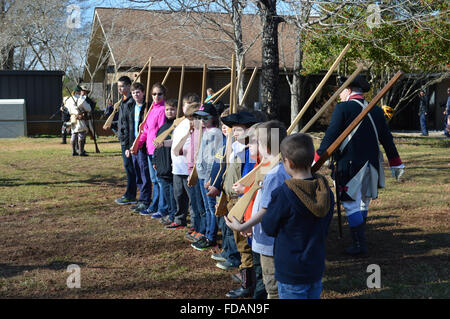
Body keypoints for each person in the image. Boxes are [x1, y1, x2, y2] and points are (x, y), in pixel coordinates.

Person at [315, 74, 404, 256]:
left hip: (350, 166)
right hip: (371, 165)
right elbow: (387, 140)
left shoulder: (343, 108)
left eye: (341, 91)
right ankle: (360, 240)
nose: (339, 95)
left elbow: (331, 136)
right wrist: (396, 163)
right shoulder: (377, 111)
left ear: (348, 90)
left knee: (351, 205)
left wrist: (316, 159)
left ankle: (359, 244)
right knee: (363, 203)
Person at [261, 133, 335, 299]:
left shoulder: (283, 194)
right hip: (315, 265)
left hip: (291, 269)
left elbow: (268, 227)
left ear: (289, 162)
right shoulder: (325, 192)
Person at [226, 120, 289, 299]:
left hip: (270, 242)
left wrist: (243, 226)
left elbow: (266, 209)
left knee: (273, 288)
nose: (251, 146)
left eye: (255, 142)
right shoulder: (271, 169)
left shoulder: (275, 173)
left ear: (266, 147)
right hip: (266, 238)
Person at [215, 110, 260, 298]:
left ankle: (249, 283)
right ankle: (248, 275)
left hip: (244, 202)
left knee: (245, 244)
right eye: (233, 129)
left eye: (239, 129)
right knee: (240, 242)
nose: (234, 132)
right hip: (233, 200)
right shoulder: (236, 148)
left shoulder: (251, 152)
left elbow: (250, 179)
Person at [207, 108, 242, 273]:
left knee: (230, 227)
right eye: (223, 123)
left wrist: (218, 184)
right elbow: (218, 167)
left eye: (228, 124)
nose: (223, 127)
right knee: (224, 224)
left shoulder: (237, 148)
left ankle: (234, 257)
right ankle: (227, 251)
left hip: (231, 192)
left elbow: (228, 171)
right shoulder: (225, 145)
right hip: (222, 191)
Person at [191, 103, 224, 250]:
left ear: (213, 118)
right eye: (200, 117)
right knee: (207, 206)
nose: (202, 120)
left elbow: (213, 158)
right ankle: (208, 234)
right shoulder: (206, 132)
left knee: (211, 208)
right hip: (202, 174)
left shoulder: (215, 133)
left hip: (208, 176)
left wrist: (210, 178)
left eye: (206, 117)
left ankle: (211, 237)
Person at [165, 94, 201, 230]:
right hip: (177, 167)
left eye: (193, 105)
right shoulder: (179, 123)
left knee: (193, 199)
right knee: (178, 196)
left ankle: (195, 225)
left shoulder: (197, 124)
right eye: (187, 105)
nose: (189, 108)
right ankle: (180, 219)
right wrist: (163, 144)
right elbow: (175, 142)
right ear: (183, 107)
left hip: (189, 168)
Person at [134, 83, 167, 216]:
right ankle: (154, 205)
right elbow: (146, 130)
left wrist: (158, 148)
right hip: (148, 149)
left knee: (160, 180)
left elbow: (162, 131)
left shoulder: (163, 110)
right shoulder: (151, 109)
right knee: (154, 180)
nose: (156, 96)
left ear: (164, 95)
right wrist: (138, 144)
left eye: (159, 94)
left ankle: (162, 208)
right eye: (154, 94)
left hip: (157, 150)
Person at [125, 82, 152, 213]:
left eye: (138, 92)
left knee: (144, 172)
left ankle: (145, 200)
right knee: (137, 172)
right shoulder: (131, 107)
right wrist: (128, 146)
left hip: (143, 145)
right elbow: (130, 128)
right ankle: (141, 199)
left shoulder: (147, 108)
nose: (136, 94)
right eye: (134, 92)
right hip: (133, 144)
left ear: (143, 93)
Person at [153, 99, 178, 224]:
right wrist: (155, 160)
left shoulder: (177, 127)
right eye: (167, 109)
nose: (170, 111)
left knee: (173, 193)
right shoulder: (162, 127)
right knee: (166, 192)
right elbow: (157, 145)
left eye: (172, 109)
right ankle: (170, 212)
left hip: (171, 165)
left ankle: (174, 215)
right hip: (162, 166)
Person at [114, 76, 138, 206]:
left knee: (130, 169)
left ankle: (131, 195)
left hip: (129, 142)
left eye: (122, 86)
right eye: (118, 86)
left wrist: (129, 145)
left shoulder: (131, 103)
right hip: (123, 140)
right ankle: (129, 193)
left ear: (129, 86)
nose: (120, 89)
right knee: (128, 167)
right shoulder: (123, 101)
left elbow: (129, 125)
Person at [64, 85, 91, 157]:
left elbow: (66, 109)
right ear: (79, 92)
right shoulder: (81, 99)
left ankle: (74, 151)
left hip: (72, 118)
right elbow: (88, 108)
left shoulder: (69, 100)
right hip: (79, 118)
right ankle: (81, 152)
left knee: (74, 134)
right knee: (81, 134)